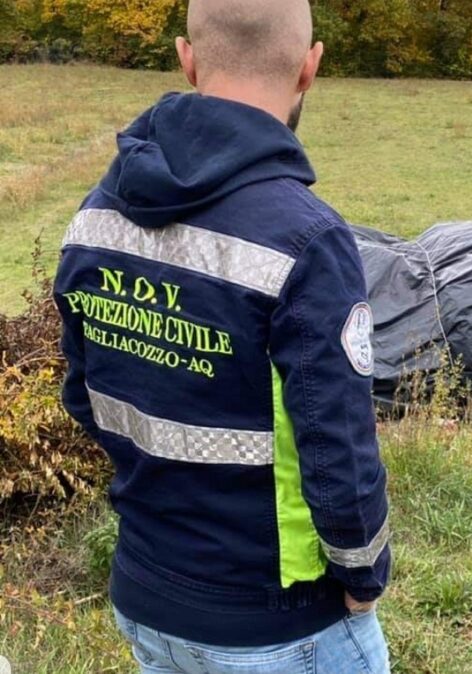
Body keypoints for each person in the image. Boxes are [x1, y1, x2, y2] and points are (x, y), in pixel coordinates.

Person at [52, 0, 391, 671]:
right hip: (278, 624)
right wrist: (362, 574)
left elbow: (83, 394)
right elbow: (337, 441)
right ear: (310, 68)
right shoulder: (309, 239)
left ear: (187, 57)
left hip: (146, 594)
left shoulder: (96, 215)